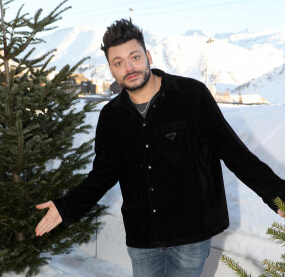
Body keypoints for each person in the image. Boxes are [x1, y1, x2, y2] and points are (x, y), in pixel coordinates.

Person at [35, 19, 285, 277]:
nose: (129, 67)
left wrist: (277, 193)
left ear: (148, 56)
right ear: (111, 70)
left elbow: (234, 152)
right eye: (118, 62)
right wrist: (67, 206)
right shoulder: (111, 116)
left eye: (134, 57)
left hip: (191, 234)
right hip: (143, 237)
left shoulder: (191, 96)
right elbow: (102, 175)